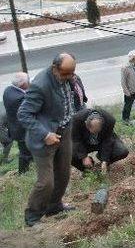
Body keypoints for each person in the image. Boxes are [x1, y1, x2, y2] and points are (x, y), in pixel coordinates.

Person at [18, 53, 78, 227]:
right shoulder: (40, 85)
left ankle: (54, 206)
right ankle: (32, 216)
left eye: (72, 73)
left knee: (64, 174)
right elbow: (24, 114)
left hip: (64, 131)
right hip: (44, 139)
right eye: (66, 74)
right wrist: (45, 134)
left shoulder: (66, 77)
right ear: (54, 69)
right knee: (46, 182)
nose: (70, 77)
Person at [71, 108, 129, 173]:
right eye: (92, 132)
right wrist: (84, 157)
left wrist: (105, 160)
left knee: (122, 151)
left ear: (103, 125)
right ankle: (89, 171)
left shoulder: (110, 120)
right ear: (85, 124)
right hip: (85, 143)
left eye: (97, 132)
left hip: (102, 141)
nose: (95, 134)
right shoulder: (77, 120)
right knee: (69, 155)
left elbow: (108, 140)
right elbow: (76, 140)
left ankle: (101, 162)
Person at [3, 73, 33, 173]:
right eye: (28, 81)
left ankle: (29, 168)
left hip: (15, 128)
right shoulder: (20, 97)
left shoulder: (8, 90)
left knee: (27, 151)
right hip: (22, 130)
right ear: (22, 84)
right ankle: (23, 172)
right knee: (25, 153)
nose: (29, 82)